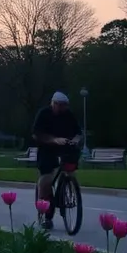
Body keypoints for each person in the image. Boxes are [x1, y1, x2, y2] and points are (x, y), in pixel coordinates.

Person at [32, 91, 83, 229]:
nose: (63, 109)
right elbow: (37, 134)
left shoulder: (68, 115)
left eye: (65, 106)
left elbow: (78, 132)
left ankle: (69, 185)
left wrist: (75, 140)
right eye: (60, 106)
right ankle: (46, 212)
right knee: (46, 180)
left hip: (66, 147)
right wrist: (54, 140)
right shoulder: (44, 114)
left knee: (70, 168)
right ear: (53, 104)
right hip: (47, 149)